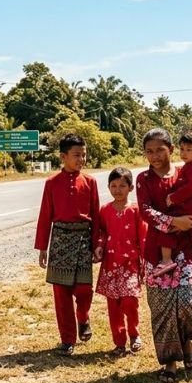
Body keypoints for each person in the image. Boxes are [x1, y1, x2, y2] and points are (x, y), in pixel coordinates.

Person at [136, 128, 192, 383]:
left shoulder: (187, 171)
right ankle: (169, 362)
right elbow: (145, 211)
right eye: (149, 151)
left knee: (186, 304)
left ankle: (187, 343)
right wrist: (172, 222)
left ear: (170, 149)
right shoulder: (143, 179)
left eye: (159, 149)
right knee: (161, 308)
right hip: (157, 253)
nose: (154, 155)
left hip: (187, 251)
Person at [35, 134, 100, 356]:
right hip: (60, 241)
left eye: (84, 154)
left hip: (83, 240)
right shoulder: (51, 183)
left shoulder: (90, 182)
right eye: (76, 155)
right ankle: (68, 340)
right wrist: (43, 248)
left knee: (84, 291)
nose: (81, 159)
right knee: (61, 294)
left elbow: (96, 216)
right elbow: (45, 216)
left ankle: (83, 317)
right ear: (63, 156)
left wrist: (96, 244)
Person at [93, 167, 147, 356]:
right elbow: (102, 233)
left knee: (129, 301)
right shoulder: (105, 210)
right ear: (108, 187)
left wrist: (145, 262)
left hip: (130, 264)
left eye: (122, 186)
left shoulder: (135, 210)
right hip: (110, 265)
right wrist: (99, 246)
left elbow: (143, 238)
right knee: (113, 305)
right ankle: (119, 342)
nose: (117, 190)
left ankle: (134, 334)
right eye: (113, 186)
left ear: (130, 188)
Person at [153, 129, 192, 285]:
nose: (184, 153)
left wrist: (173, 197)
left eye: (189, 150)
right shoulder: (191, 167)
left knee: (167, 225)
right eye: (182, 149)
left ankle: (166, 260)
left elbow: (190, 188)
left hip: (188, 208)